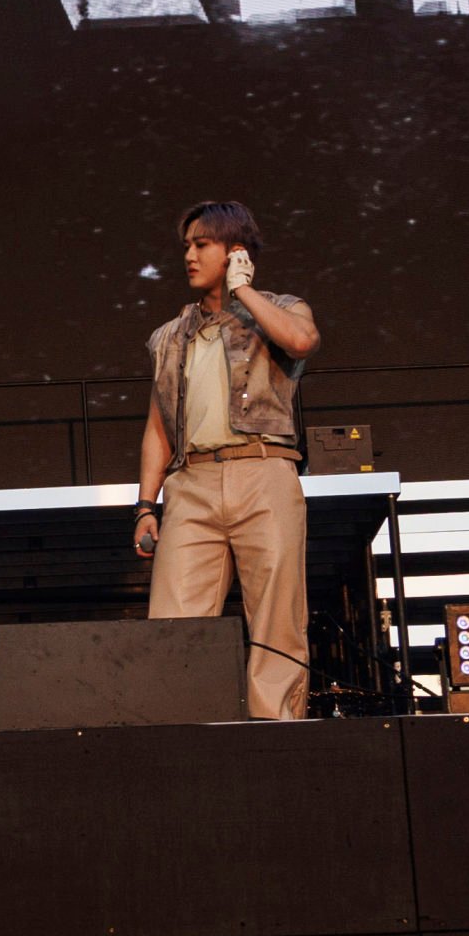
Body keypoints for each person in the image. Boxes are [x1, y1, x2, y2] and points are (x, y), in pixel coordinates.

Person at [133, 199, 323, 721]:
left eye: (202, 245)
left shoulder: (281, 308)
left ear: (235, 251)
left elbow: (303, 341)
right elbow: (157, 427)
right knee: (173, 626)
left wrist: (243, 290)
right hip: (191, 483)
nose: (189, 256)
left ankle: (277, 734)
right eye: (187, 247)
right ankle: (182, 737)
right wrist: (145, 506)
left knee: (277, 621)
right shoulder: (170, 336)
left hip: (264, 471)